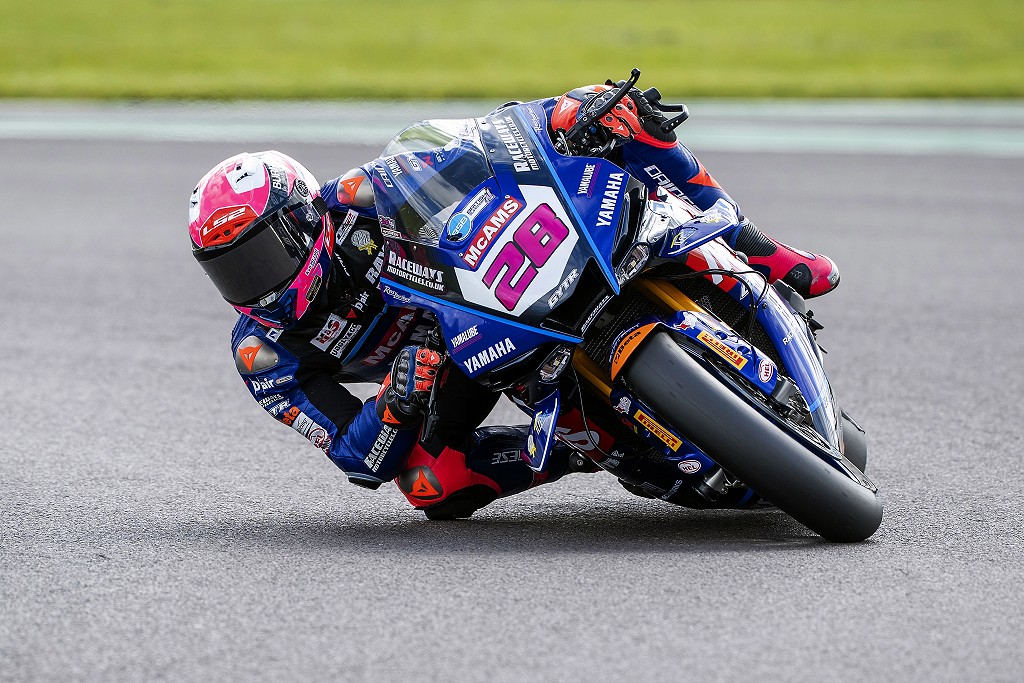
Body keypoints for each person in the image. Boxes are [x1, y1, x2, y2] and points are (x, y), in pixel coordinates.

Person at [188, 84, 840, 519]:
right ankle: (581, 448)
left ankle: (758, 247)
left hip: (496, 282)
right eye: (230, 272)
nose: (254, 284)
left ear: (303, 220)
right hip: (454, 360)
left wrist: (565, 113)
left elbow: (481, 140)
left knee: (620, 117)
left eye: (259, 255)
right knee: (429, 485)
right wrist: (395, 402)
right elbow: (358, 460)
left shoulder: (356, 197)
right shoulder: (262, 352)